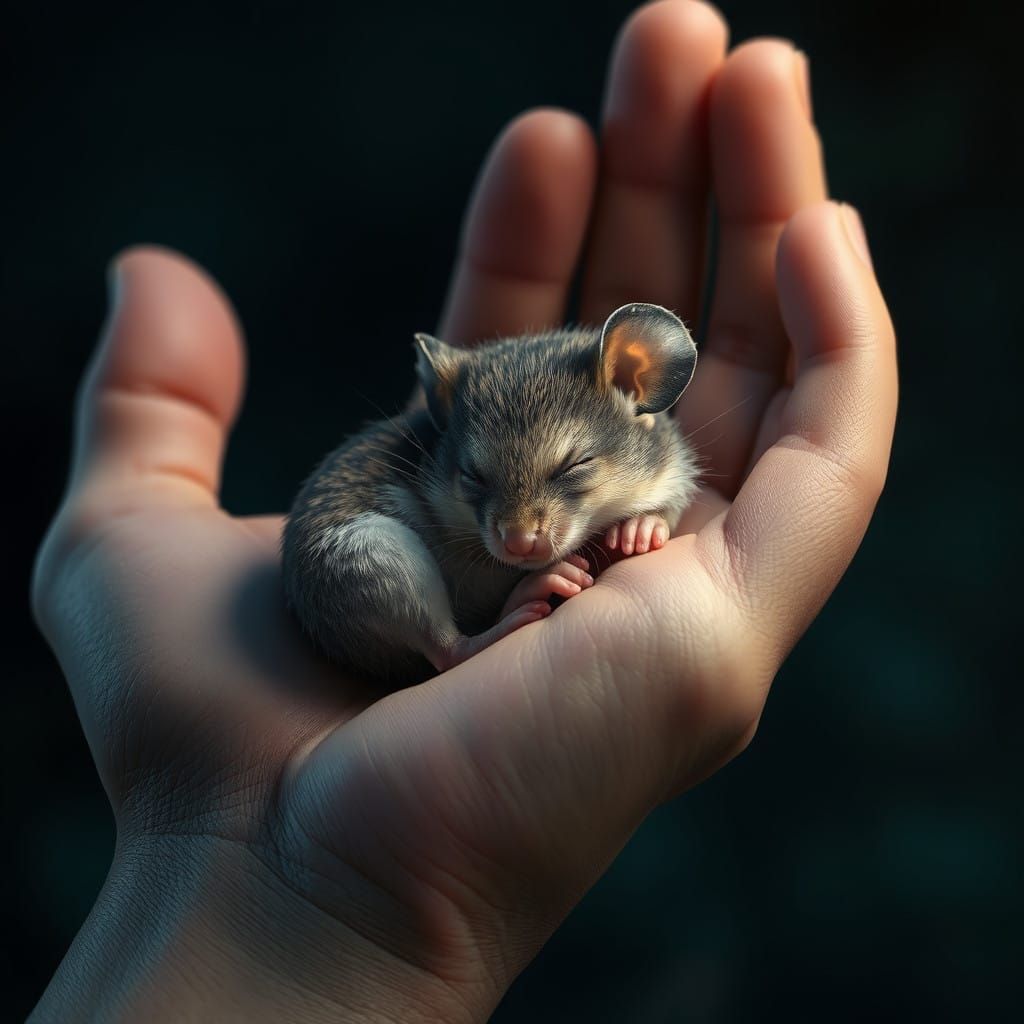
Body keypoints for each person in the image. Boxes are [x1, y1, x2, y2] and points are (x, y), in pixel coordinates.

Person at [29, 1, 896, 1020]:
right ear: (448, 435)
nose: (520, 526)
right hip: (385, 592)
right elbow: (483, 518)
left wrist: (634, 527)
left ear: (638, 382)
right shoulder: (426, 476)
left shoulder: (653, 445)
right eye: (484, 488)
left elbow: (668, 486)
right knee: (379, 550)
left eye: (566, 478)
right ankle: (454, 645)